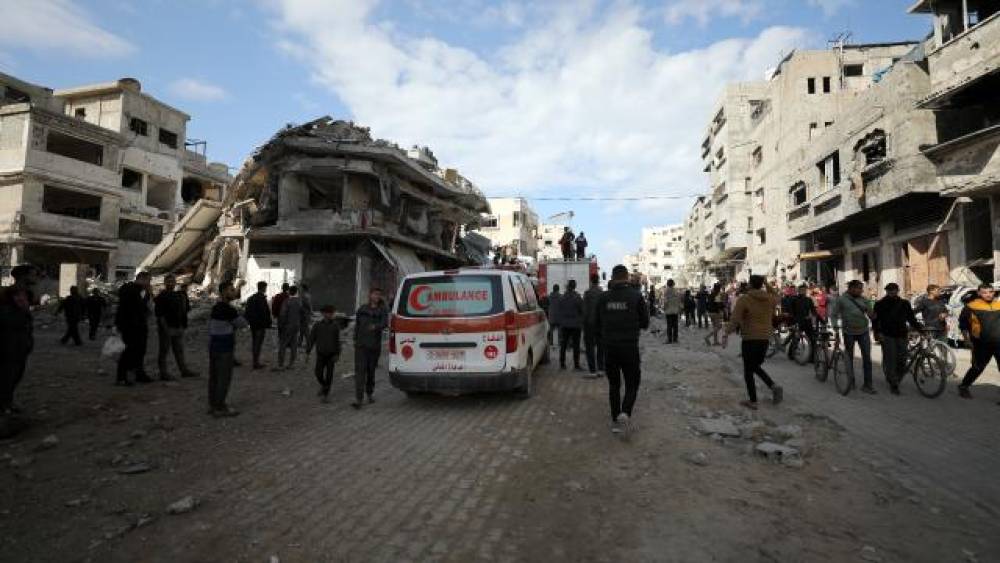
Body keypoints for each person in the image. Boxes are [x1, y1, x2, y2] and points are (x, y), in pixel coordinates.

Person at [595, 265, 649, 434]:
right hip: (629, 347)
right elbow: (645, 323)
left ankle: (615, 416)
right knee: (632, 382)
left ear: (612, 277)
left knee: (614, 384)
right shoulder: (636, 296)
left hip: (610, 348)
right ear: (627, 277)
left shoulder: (603, 298)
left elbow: (596, 323)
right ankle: (625, 411)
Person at [722, 275, 783, 410]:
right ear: (761, 284)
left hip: (750, 338)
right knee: (754, 366)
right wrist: (767, 284)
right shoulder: (769, 299)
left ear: (750, 284)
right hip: (765, 339)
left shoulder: (745, 299)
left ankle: (754, 400)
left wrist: (726, 333)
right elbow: (777, 296)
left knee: (748, 370)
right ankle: (773, 386)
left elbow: (735, 319)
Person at [0, 264, 38, 415]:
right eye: (33, 274)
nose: (35, 277)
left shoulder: (27, 293)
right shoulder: (8, 293)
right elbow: (7, 317)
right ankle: (4, 404)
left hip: (22, 338)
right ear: (23, 276)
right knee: (8, 373)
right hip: (9, 338)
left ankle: (7, 402)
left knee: (17, 373)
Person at [873, 283, 922, 395]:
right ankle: (893, 383)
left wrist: (920, 329)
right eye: (890, 290)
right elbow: (875, 320)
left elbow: (911, 318)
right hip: (887, 335)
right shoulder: (879, 304)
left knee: (903, 359)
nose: (892, 292)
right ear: (886, 291)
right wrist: (877, 333)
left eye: (894, 290)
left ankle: (896, 377)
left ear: (897, 290)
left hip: (902, 334)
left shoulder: (905, 303)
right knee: (891, 359)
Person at [208, 281, 248, 417]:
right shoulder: (228, 310)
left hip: (214, 346)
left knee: (214, 377)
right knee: (223, 378)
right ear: (224, 292)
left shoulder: (216, 307)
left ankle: (213, 404)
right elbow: (242, 324)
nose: (234, 292)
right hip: (225, 347)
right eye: (231, 290)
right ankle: (220, 407)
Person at [829, 280, 876, 394]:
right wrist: (835, 327)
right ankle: (851, 381)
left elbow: (871, 314)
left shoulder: (863, 299)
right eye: (858, 288)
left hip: (863, 331)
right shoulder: (841, 299)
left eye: (861, 288)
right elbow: (833, 314)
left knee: (867, 358)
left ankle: (868, 385)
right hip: (848, 332)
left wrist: (872, 313)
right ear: (851, 288)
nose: (861, 291)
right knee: (849, 358)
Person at [957, 283, 1000, 400]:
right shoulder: (971, 307)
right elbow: (963, 325)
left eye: (991, 292)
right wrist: (967, 340)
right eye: (985, 292)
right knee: (977, 367)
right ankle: (963, 386)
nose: (988, 294)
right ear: (979, 293)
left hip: (999, 343)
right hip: (981, 344)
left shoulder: (998, 305)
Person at [154, 274, 197, 380]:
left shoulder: (179, 295)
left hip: (178, 327)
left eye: (172, 281)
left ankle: (183, 370)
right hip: (167, 327)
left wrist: (183, 325)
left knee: (179, 350)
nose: (170, 283)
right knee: (164, 351)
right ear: (165, 283)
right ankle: (163, 373)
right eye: (168, 281)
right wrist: (165, 329)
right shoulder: (161, 296)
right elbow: (160, 315)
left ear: (175, 282)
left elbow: (185, 310)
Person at [115, 272, 153, 386]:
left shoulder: (142, 291)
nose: (149, 283)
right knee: (129, 351)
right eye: (148, 280)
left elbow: (145, 307)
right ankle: (121, 377)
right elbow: (129, 308)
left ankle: (139, 373)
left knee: (140, 351)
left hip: (140, 325)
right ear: (142, 279)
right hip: (130, 326)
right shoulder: (129, 289)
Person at [353, 288, 388, 409]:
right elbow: (357, 325)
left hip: (374, 346)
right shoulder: (362, 309)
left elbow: (385, 323)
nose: (376, 296)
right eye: (374, 294)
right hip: (361, 346)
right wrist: (355, 339)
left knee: (370, 372)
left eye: (378, 294)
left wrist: (376, 326)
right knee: (360, 372)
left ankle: (369, 393)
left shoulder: (382, 310)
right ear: (370, 295)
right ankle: (359, 399)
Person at [306, 305, 349, 402]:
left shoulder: (335, 326)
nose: (329, 315)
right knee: (318, 373)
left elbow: (338, 342)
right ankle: (324, 385)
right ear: (323, 314)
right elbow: (312, 338)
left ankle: (326, 394)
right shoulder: (317, 325)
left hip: (331, 355)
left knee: (329, 375)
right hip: (321, 354)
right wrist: (308, 350)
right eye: (327, 313)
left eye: (331, 313)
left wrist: (337, 354)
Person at [243, 281, 272, 369]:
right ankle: (256, 362)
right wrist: (268, 323)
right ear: (263, 288)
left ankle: (255, 361)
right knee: (258, 343)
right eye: (265, 287)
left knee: (255, 342)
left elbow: (247, 312)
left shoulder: (251, 298)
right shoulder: (262, 298)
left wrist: (249, 321)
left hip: (253, 324)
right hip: (260, 325)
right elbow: (265, 313)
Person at [556, 279, 583, 370]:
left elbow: (559, 309)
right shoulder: (577, 297)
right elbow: (581, 309)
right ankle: (576, 365)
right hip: (576, 324)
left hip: (565, 324)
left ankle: (562, 364)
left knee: (563, 344)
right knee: (576, 345)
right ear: (575, 286)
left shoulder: (562, 297)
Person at [276, 286, 305, 370]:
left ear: (289, 292)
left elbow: (282, 314)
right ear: (296, 292)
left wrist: (281, 325)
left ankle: (281, 365)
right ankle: (291, 364)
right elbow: (302, 313)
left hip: (287, 326)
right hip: (296, 325)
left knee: (283, 344)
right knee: (293, 345)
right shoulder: (299, 301)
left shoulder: (287, 301)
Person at [582, 273, 605, 378]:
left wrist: (583, 323)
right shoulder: (602, 293)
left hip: (589, 324)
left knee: (590, 347)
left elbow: (585, 310)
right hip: (601, 324)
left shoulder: (587, 293)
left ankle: (592, 371)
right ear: (598, 281)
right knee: (601, 346)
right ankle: (601, 369)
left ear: (591, 281)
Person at [788, 284, 817, 363]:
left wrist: (813, 316)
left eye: (804, 290)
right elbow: (791, 312)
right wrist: (793, 321)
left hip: (807, 322)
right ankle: (791, 354)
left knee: (812, 339)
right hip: (798, 321)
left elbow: (813, 310)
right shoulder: (794, 300)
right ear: (798, 291)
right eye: (801, 290)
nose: (803, 292)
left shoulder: (808, 299)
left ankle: (812, 357)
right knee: (796, 338)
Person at [662, 279, 682, 344]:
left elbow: (665, 301)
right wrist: (679, 308)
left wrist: (664, 308)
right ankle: (675, 339)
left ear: (667, 284)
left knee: (669, 326)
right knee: (675, 326)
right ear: (673, 284)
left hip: (669, 311)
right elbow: (679, 301)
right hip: (675, 311)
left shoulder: (666, 291)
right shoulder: (676, 291)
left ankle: (669, 339)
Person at [298, 283, 313, 348]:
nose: (299, 289)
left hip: (304, 314)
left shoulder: (304, 295)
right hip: (304, 314)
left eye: (300, 287)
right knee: (302, 329)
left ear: (303, 288)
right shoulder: (306, 295)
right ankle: (300, 342)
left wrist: (310, 311)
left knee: (305, 329)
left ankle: (308, 343)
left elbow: (308, 305)